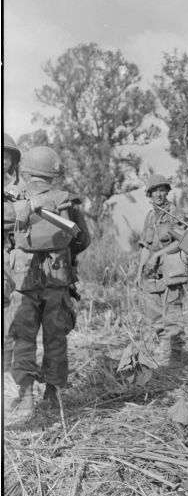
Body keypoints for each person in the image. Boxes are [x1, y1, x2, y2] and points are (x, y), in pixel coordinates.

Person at [6, 146, 90, 416]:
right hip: (57, 279)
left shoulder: (15, 203)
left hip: (24, 280)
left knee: (24, 339)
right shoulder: (67, 201)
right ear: (54, 173)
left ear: (26, 170)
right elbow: (83, 240)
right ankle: (53, 396)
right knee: (55, 338)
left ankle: (27, 397)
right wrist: (63, 254)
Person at [135, 174, 188, 363]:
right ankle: (162, 352)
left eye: (162, 190)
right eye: (154, 191)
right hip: (152, 275)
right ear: (149, 195)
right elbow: (146, 246)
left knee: (173, 317)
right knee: (154, 318)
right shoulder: (150, 217)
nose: (158, 195)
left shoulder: (175, 213)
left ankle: (175, 357)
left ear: (167, 192)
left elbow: (184, 241)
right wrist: (139, 272)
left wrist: (158, 255)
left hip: (172, 271)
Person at [3, 133, 23, 371]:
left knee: (8, 324)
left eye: (7, 157)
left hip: (8, 267)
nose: (3, 162)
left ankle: (5, 376)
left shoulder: (16, 193)